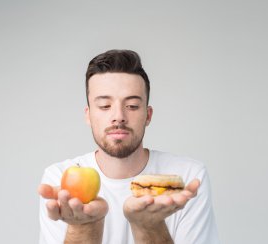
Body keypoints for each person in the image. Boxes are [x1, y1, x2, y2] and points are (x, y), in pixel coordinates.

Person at [38, 49, 220, 244]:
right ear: (88, 115)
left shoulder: (188, 177)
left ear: (148, 115)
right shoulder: (60, 179)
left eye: (132, 106)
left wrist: (149, 227)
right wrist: (84, 227)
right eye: (105, 106)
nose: (119, 116)